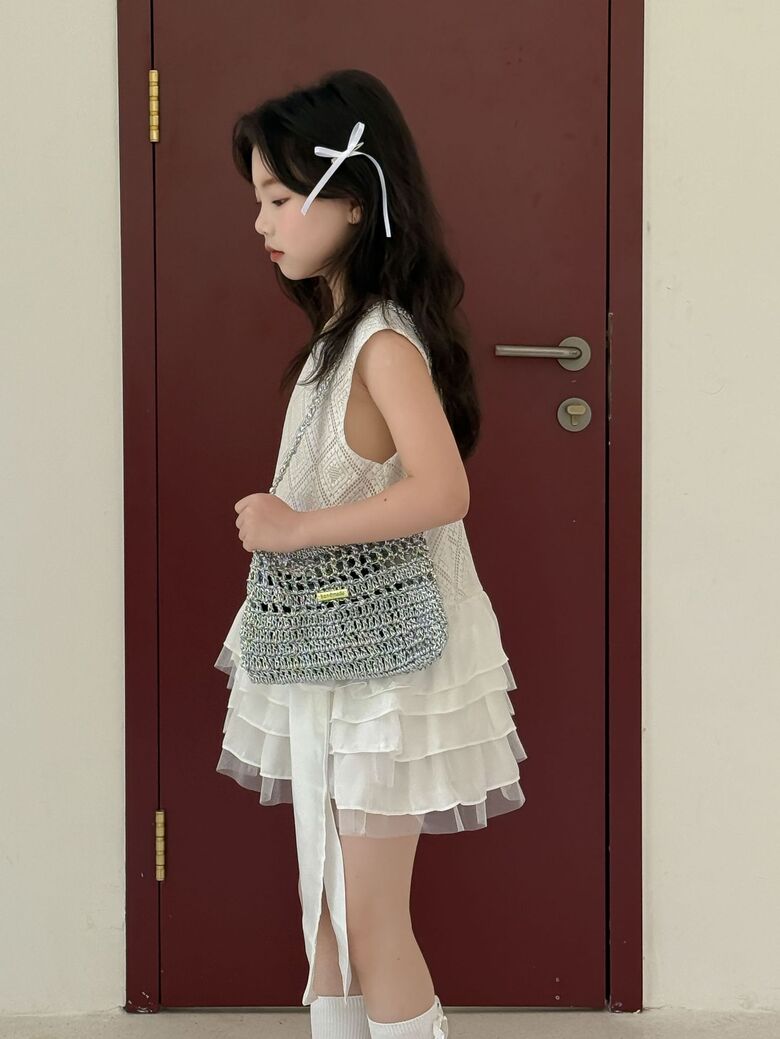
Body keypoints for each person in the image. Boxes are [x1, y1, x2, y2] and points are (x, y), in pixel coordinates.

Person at [213, 68, 528, 1039]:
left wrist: (292, 529)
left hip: (388, 665)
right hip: (336, 651)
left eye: (279, 198)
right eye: (258, 200)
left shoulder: (382, 344)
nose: (261, 222)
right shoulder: (337, 342)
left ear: (353, 200)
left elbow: (442, 491)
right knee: (329, 910)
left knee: (367, 917)